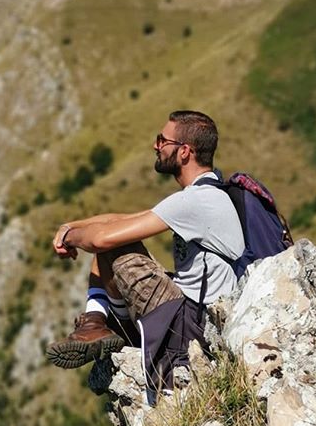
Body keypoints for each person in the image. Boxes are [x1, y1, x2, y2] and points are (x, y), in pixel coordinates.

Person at [46, 110, 245, 394]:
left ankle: (117, 332)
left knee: (114, 247)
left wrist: (71, 238)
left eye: (162, 141)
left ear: (185, 151)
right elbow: (122, 220)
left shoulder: (196, 201)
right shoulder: (207, 193)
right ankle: (96, 324)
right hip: (195, 314)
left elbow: (102, 239)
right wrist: (69, 227)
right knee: (115, 239)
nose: (156, 146)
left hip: (193, 328)